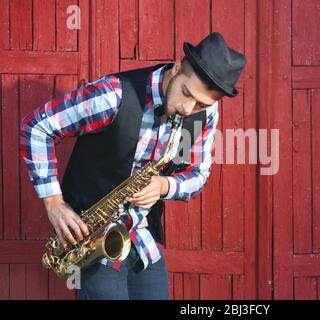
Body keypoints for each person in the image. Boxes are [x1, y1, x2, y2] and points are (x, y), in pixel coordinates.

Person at [19, 32, 247, 300]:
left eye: (201, 104)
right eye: (186, 93)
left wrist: (164, 185)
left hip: (144, 238)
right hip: (93, 241)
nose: (188, 108)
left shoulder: (203, 114)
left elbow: (198, 174)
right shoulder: (113, 95)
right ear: (176, 68)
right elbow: (36, 127)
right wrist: (54, 203)